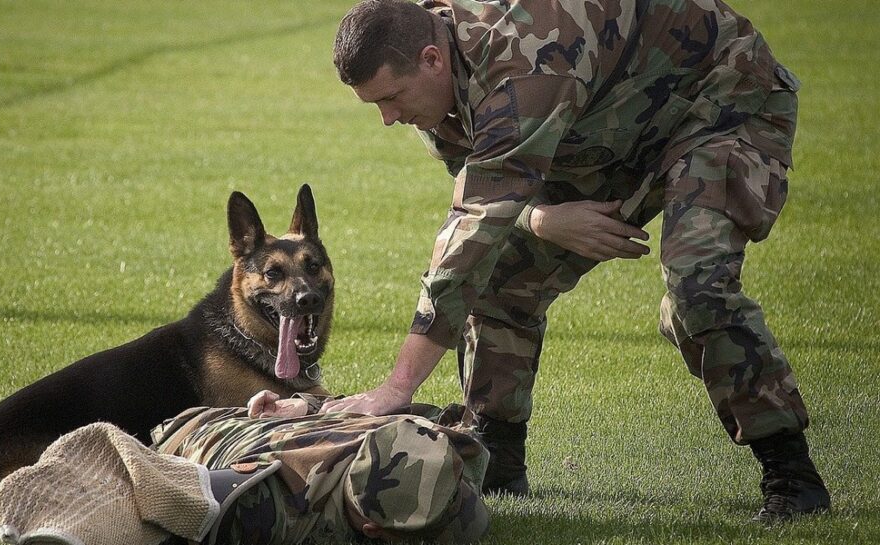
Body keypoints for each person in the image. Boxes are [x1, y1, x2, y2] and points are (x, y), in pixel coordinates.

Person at [324, 0, 829, 522]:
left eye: (390, 98)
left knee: (697, 284)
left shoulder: (526, 55)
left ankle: (792, 476)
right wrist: (542, 219)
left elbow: (471, 234)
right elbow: (481, 187)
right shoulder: (440, 86)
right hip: (607, 131)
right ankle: (495, 463)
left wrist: (396, 389)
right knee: (501, 277)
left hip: (720, 102)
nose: (388, 119)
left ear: (431, 59)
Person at [0, 390, 491, 545]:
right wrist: (310, 407)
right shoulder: (274, 505)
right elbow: (185, 491)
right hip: (199, 431)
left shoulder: (457, 509)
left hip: (226, 432)